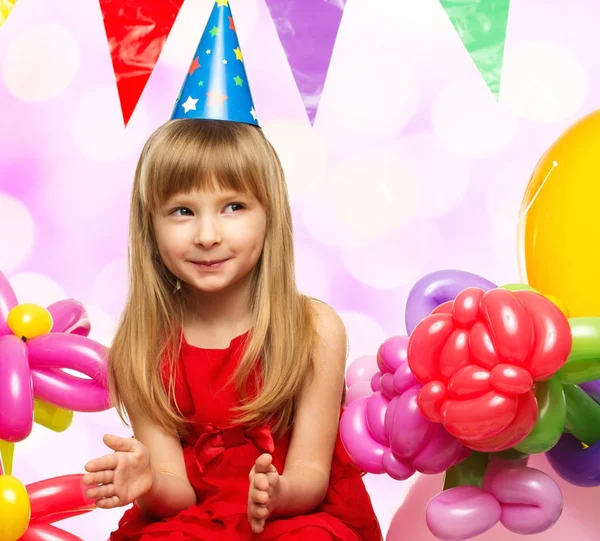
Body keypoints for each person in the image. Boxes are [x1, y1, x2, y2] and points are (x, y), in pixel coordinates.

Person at [82, 2, 383, 540]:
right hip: (193, 519)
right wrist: (147, 479)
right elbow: (176, 488)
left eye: (233, 207)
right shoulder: (143, 342)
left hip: (297, 514)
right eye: (181, 211)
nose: (207, 235)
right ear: (149, 224)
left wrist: (278, 494)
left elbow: (312, 474)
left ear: (271, 216)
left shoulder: (314, 328)